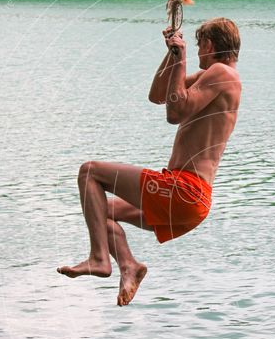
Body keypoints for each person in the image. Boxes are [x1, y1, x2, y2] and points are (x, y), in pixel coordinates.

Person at [57, 17, 242, 306]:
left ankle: (99, 258)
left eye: (197, 45)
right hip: (188, 199)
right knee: (98, 210)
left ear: (208, 44)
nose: (196, 51)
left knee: (89, 172)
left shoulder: (222, 73)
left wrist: (181, 59)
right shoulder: (215, 77)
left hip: (184, 190)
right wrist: (172, 56)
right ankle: (129, 265)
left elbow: (175, 113)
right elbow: (158, 96)